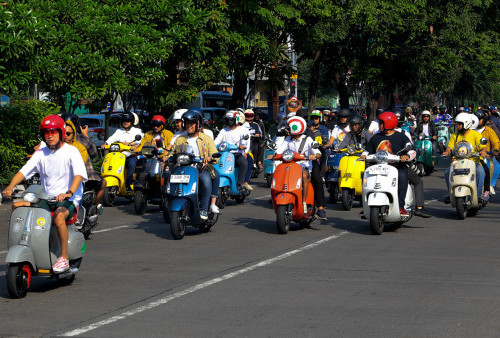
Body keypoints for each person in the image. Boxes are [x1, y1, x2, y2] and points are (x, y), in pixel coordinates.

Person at [2, 115, 87, 273]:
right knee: (18, 207)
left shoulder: (72, 152)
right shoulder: (41, 153)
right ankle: (27, 247)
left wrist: (69, 192)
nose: (50, 135)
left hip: (67, 200)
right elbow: (24, 172)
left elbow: (78, 175)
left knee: (59, 216)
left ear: (61, 133)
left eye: (54, 132)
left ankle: (63, 257)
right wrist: (10, 187)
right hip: (46, 197)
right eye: (47, 132)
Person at [170, 111, 220, 219]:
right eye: (187, 123)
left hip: (201, 168)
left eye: (191, 123)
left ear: (197, 124)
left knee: (206, 182)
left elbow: (215, 156)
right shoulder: (180, 139)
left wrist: (209, 158)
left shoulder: (206, 139)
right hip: (183, 168)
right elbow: (172, 153)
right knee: (168, 180)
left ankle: (203, 209)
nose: (189, 126)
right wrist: (167, 156)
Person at [361, 112, 412, 216]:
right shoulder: (375, 137)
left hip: (397, 166)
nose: (379, 125)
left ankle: (401, 206)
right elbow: (367, 150)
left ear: (388, 124)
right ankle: (366, 206)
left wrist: (407, 156)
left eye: (381, 123)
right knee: (365, 176)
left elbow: (411, 149)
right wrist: (364, 155)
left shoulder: (401, 137)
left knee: (403, 176)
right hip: (378, 166)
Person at [275, 116, 326, 220]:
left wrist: (314, 155)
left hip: (306, 167)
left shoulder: (307, 139)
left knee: (316, 180)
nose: (286, 130)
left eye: (288, 128)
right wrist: (274, 155)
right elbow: (280, 151)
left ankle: (318, 208)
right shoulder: (288, 139)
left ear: (295, 128)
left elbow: (317, 152)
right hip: (291, 166)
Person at [62, 117, 107, 211]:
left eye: (68, 133)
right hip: (84, 177)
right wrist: (86, 136)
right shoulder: (81, 139)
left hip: (75, 177)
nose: (66, 136)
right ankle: (95, 206)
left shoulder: (55, 142)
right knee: (103, 183)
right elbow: (94, 153)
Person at [442, 113, 488, 203]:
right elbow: (450, 147)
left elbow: (483, 146)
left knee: (480, 172)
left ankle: (478, 196)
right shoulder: (455, 135)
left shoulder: (476, 135)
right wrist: (447, 152)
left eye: (459, 124)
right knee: (447, 172)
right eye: (457, 124)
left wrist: (483, 151)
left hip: (473, 161)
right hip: (458, 161)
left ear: (466, 123)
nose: (457, 126)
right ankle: (451, 193)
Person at [103, 112, 144, 191]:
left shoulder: (137, 131)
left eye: (128, 121)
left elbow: (141, 141)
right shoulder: (119, 131)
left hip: (131, 155)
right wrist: (105, 144)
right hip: (119, 155)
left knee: (131, 164)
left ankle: (129, 184)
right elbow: (112, 139)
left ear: (131, 122)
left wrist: (131, 144)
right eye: (124, 121)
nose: (125, 123)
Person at [215, 111, 251, 190]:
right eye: (227, 120)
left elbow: (244, 143)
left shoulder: (242, 130)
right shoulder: (223, 130)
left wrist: (242, 147)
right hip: (224, 154)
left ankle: (240, 183)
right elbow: (216, 142)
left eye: (230, 120)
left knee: (244, 163)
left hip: (236, 154)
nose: (228, 122)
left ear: (236, 120)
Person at [474, 110, 500, 194]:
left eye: (480, 119)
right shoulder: (470, 130)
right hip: (470, 155)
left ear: (484, 120)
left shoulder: (489, 130)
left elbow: (496, 141)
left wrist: (496, 150)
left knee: (496, 165)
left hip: (486, 155)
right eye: (476, 119)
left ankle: (490, 185)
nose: (478, 121)